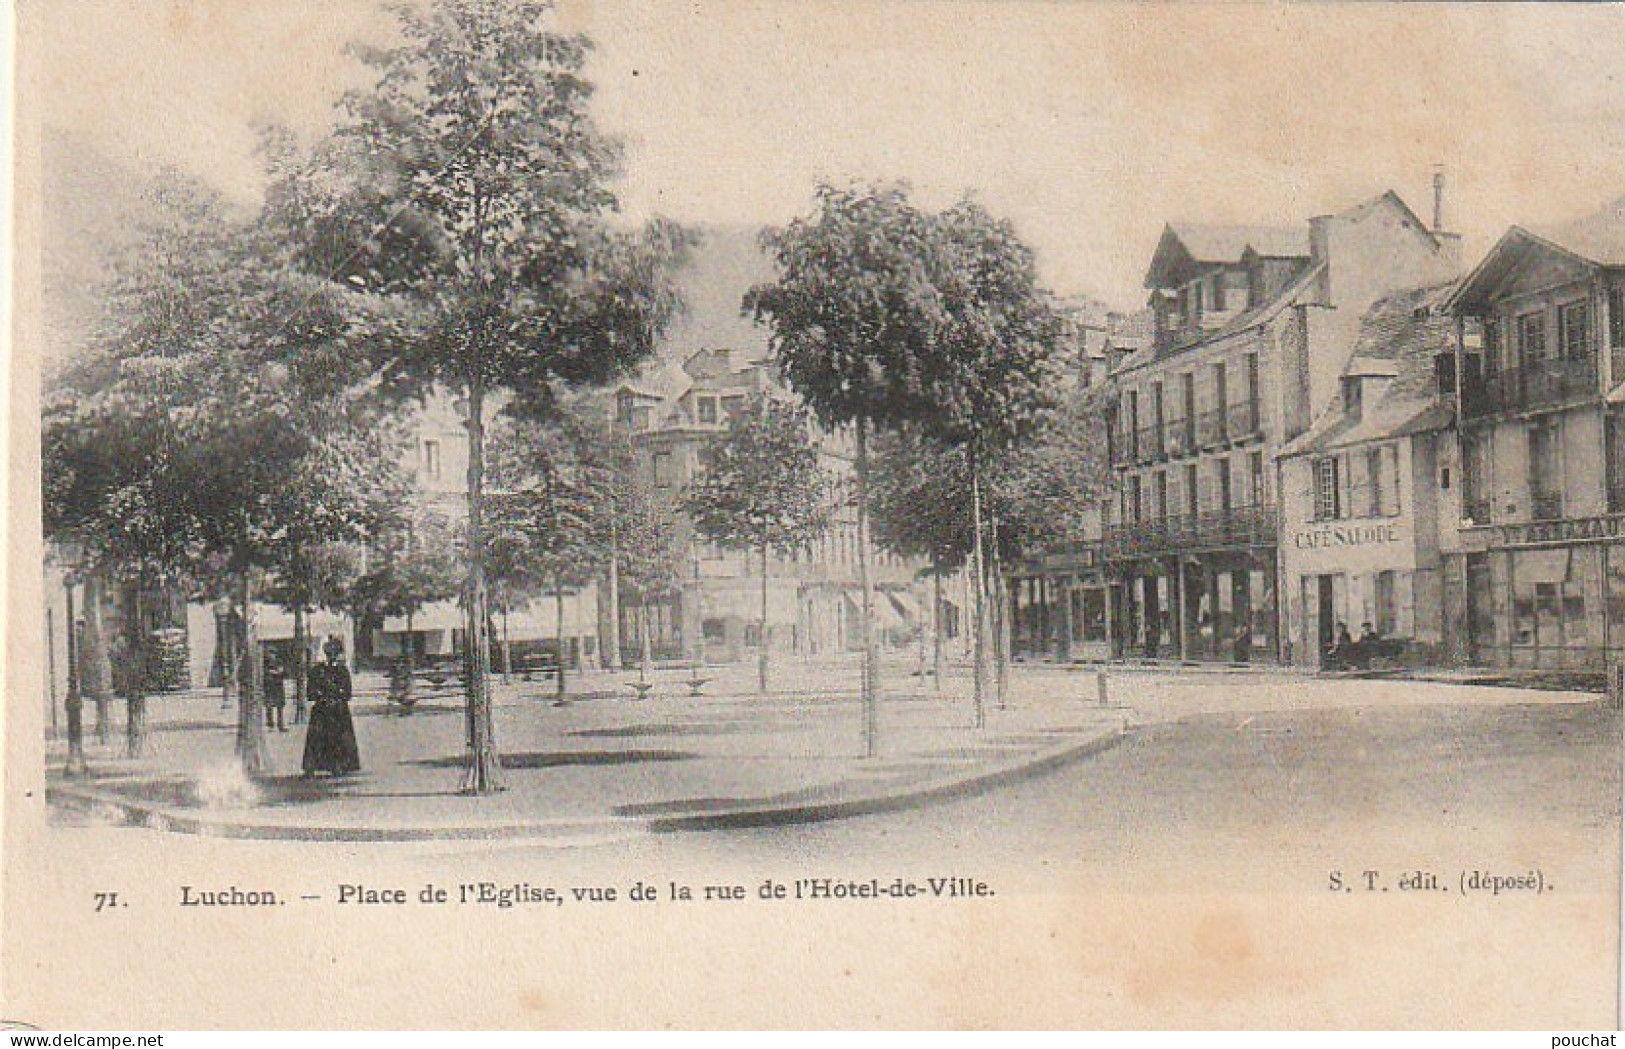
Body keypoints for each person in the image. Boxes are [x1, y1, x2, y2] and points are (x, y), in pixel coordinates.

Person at [301, 636, 361, 777]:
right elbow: (310, 692)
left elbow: (347, 692)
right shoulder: (316, 671)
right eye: (329, 653)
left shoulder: (342, 671)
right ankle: (312, 766)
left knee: (339, 737)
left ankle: (339, 765)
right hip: (322, 709)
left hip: (338, 710)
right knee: (317, 738)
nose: (331, 657)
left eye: (334, 654)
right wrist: (321, 696)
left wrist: (337, 697)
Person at [263, 649, 287, 732]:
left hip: (278, 686)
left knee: (279, 707)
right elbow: (265, 673)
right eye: (270, 653)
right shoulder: (265, 663)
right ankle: (270, 725)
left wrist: (274, 672)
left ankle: (281, 725)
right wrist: (275, 672)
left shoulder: (279, 662)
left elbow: (282, 672)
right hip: (269, 687)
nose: (271, 655)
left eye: (273, 653)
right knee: (269, 707)